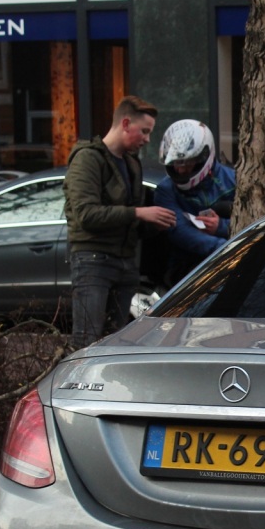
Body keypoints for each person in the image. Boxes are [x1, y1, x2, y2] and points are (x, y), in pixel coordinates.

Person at [64, 94, 176, 348]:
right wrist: (138, 213)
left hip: (125, 262)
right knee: (87, 339)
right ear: (125, 124)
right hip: (93, 261)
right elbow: (86, 214)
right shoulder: (88, 159)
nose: (147, 139)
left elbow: (131, 219)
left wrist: (154, 223)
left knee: (115, 341)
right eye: (144, 131)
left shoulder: (131, 164)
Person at [154, 119, 236, 286]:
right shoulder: (165, 189)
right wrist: (226, 248)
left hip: (233, 265)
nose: (181, 169)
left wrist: (220, 226)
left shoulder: (233, 180)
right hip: (186, 271)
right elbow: (181, 232)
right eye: (176, 163)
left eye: (188, 163)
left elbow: (254, 219)